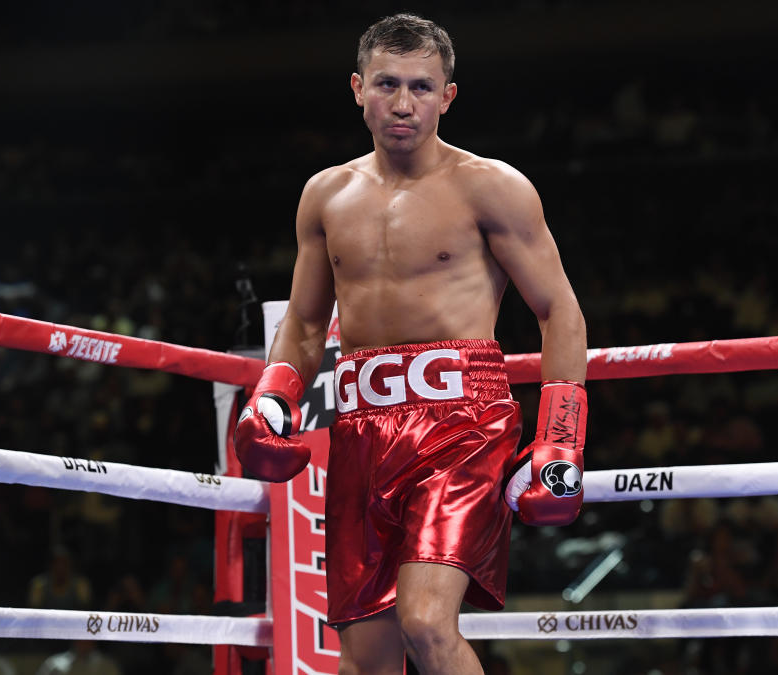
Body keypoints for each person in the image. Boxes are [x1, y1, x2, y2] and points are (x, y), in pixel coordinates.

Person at [234, 13, 587, 674]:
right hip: (361, 428)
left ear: (448, 95)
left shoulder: (493, 187)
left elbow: (559, 309)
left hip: (462, 423)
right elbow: (308, 326)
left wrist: (560, 437)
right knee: (365, 656)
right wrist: (274, 398)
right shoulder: (325, 195)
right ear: (357, 87)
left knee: (426, 620)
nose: (403, 103)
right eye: (387, 84)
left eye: (422, 87)